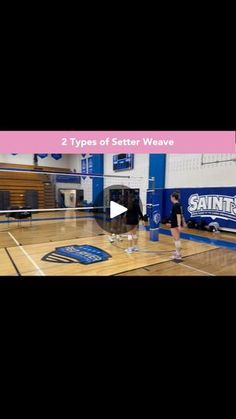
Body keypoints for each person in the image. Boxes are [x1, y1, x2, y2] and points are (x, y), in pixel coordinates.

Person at [170, 191, 185, 261]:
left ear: (173, 197)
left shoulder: (176, 205)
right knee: (176, 239)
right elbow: (181, 215)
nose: (170, 198)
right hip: (175, 224)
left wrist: (179, 225)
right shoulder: (178, 205)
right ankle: (177, 252)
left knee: (176, 239)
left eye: (171, 197)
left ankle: (178, 255)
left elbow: (178, 215)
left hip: (175, 225)